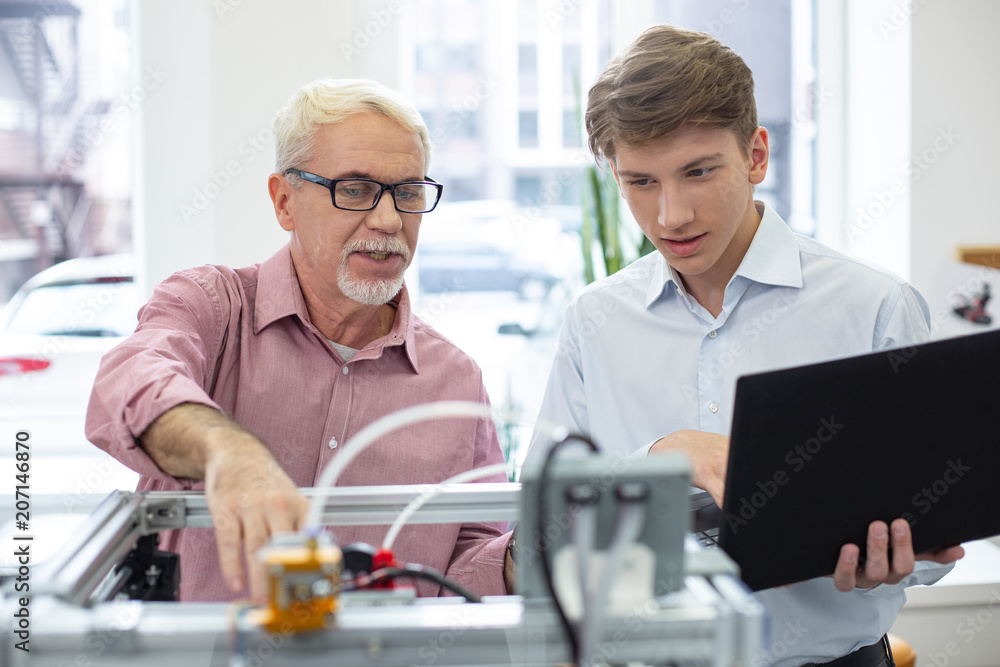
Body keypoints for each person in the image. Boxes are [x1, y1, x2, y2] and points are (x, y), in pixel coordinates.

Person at [531, 25, 964, 666]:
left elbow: (937, 525)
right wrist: (655, 459)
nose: (670, 215)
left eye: (698, 171)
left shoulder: (874, 308)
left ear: (756, 155)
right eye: (640, 182)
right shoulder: (593, 320)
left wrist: (897, 555)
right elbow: (542, 527)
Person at [86, 78, 514, 603]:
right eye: (354, 189)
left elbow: (467, 575)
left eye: (407, 192)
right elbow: (127, 384)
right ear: (285, 201)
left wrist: (530, 555)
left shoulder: (455, 381)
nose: (388, 220)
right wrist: (227, 451)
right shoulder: (212, 308)